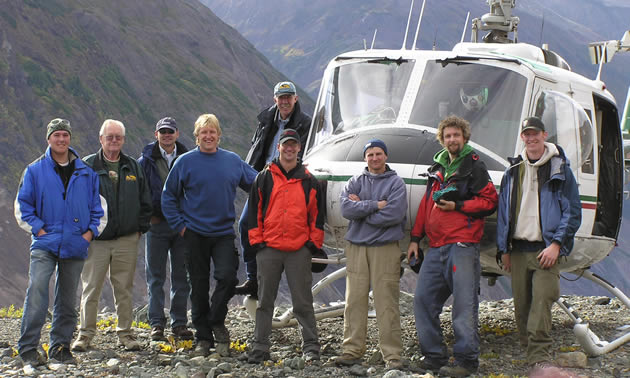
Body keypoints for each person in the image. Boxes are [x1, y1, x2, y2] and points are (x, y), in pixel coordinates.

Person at [407, 115, 498, 377]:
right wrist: (415, 238)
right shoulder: (436, 167)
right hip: (435, 246)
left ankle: (466, 361)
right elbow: (426, 204)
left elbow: (490, 202)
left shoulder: (474, 166)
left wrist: (458, 206)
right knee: (423, 300)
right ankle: (434, 356)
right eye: (447, 136)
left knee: (464, 304)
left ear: (464, 137)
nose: (452, 140)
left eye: (456, 135)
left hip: (463, 244)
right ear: (442, 139)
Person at [161, 114, 257, 357]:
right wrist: (180, 226)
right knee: (199, 286)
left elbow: (258, 184)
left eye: (212, 131)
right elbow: (168, 196)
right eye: (204, 132)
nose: (208, 136)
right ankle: (203, 338)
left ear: (219, 135)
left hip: (223, 232)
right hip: (193, 233)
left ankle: (215, 319)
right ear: (197, 136)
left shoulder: (232, 161)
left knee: (227, 277)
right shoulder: (184, 162)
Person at [14, 118, 106, 366]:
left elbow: (99, 209)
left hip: (75, 245)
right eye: (57, 135)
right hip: (45, 244)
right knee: (37, 293)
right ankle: (28, 348)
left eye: (65, 135)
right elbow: (23, 207)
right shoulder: (34, 170)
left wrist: (88, 235)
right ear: (49, 139)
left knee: (67, 299)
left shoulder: (86, 172)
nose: (61, 139)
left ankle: (60, 347)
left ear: (69, 138)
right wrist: (39, 231)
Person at [497, 117, 581, 367]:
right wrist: (504, 249)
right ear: (522, 137)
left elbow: (572, 211)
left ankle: (540, 357)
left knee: (543, 299)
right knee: (522, 307)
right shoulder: (512, 171)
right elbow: (504, 212)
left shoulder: (560, 170)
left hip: (546, 249)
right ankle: (531, 356)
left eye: (535, 134)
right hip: (519, 249)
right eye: (526, 134)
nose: (531, 138)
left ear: (545, 135)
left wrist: (556, 244)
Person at [243, 128, 324, 364]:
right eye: (285, 144)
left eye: (293, 145)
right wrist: (258, 243)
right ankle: (260, 348)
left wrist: (312, 245)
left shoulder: (310, 181)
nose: (289, 149)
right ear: (279, 147)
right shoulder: (264, 178)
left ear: (299, 149)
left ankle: (311, 347)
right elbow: (254, 214)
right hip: (269, 248)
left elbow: (316, 217)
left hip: (299, 249)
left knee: (303, 302)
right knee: (265, 300)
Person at [72, 119, 152, 352]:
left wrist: (140, 228)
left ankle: (126, 334)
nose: (114, 140)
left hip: (127, 239)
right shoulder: (86, 166)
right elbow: (76, 202)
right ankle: (85, 334)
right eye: (110, 137)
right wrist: (84, 232)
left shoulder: (133, 166)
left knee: (123, 287)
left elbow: (145, 199)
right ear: (101, 139)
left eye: (118, 137)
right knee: (91, 287)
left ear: (123, 140)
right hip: (96, 241)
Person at [333, 139, 407, 370]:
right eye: (370, 154)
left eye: (378, 153)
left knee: (387, 303)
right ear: (365, 158)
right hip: (356, 248)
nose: (374, 158)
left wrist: (362, 210)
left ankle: (393, 356)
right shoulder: (355, 181)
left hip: (385, 248)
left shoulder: (396, 183)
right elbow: (346, 209)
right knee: (354, 301)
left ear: (385, 156)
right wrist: (375, 205)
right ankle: (352, 350)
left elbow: (394, 215)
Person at [235, 81, 312, 298]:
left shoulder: (305, 123)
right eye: (281, 97)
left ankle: (280, 285)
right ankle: (253, 278)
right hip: (262, 180)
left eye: (289, 97)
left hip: (288, 184)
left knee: (283, 232)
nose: (285, 101)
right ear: (275, 99)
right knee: (245, 225)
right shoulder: (266, 119)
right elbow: (258, 147)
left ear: (295, 99)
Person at [138, 117, 193, 341]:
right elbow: (140, 191)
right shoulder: (144, 161)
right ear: (156, 134)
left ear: (177, 134)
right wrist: (147, 217)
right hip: (157, 226)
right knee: (155, 276)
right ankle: (157, 324)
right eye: (163, 131)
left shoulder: (188, 159)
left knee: (181, 276)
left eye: (170, 131)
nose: (167, 135)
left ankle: (179, 323)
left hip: (181, 226)